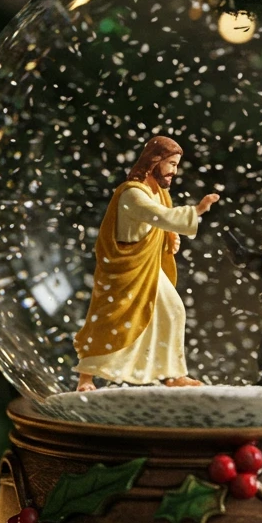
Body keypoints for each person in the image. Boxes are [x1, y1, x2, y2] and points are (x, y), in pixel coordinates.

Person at [73, 135, 218, 392]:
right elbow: (158, 217)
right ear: (155, 161)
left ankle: (172, 374)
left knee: (172, 310)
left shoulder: (159, 192)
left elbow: (159, 226)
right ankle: (86, 378)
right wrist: (196, 211)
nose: (174, 171)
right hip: (124, 267)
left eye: (176, 164)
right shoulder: (132, 193)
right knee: (109, 319)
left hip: (147, 266)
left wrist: (168, 241)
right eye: (171, 163)